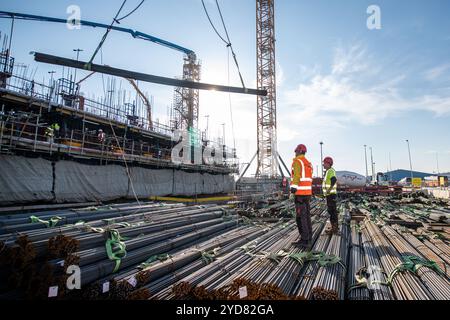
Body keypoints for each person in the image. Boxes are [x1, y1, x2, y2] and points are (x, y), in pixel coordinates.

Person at [290, 144, 313, 249]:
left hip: (300, 194)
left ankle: (304, 240)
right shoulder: (308, 163)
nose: (295, 153)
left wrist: (293, 188)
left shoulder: (297, 162)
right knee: (307, 216)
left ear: (299, 151)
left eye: (296, 151)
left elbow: (297, 176)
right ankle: (309, 236)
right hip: (307, 193)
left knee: (300, 217)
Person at [322, 156, 339, 235]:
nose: (323, 165)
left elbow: (333, 180)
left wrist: (329, 190)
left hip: (331, 195)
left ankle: (334, 229)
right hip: (329, 195)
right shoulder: (328, 171)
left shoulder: (330, 171)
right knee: (331, 211)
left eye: (324, 163)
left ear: (329, 163)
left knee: (332, 211)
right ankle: (334, 227)